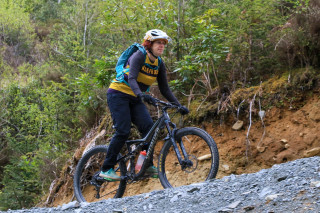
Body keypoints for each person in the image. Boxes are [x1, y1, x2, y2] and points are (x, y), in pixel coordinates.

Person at [99, 29, 189, 181]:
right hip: (118, 94)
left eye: (163, 43)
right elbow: (132, 78)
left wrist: (179, 105)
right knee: (123, 130)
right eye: (158, 43)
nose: (161, 46)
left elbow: (165, 89)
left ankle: (144, 165)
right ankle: (106, 168)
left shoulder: (159, 63)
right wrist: (141, 95)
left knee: (149, 129)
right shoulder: (139, 55)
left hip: (135, 98)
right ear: (149, 44)